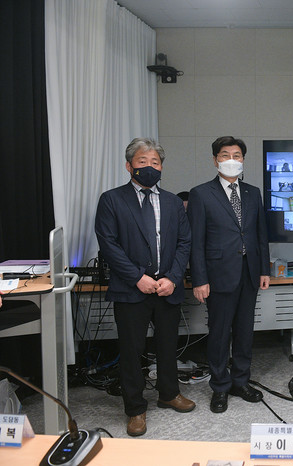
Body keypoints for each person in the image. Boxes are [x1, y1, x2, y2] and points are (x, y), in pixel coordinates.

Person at [94, 137, 195, 437]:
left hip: (167, 287)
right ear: (129, 166)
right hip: (131, 289)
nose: (149, 167)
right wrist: (138, 277)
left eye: (155, 162)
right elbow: (109, 244)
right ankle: (135, 408)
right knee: (131, 350)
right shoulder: (112, 199)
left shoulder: (173, 202)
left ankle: (169, 393)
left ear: (161, 167)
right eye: (142, 161)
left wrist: (173, 277)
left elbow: (184, 242)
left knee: (168, 345)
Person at [187, 136, 271, 414]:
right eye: (225, 155)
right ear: (215, 160)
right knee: (220, 333)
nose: (231, 160)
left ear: (243, 159)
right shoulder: (201, 194)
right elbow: (196, 242)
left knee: (245, 332)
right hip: (218, 274)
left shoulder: (252, 193)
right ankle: (220, 386)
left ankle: (240, 381)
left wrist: (264, 269)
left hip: (249, 272)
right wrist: (199, 279)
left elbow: (260, 235)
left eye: (237, 155)